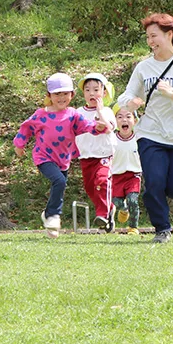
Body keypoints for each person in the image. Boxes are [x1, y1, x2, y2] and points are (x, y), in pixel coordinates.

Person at [115, 13, 173, 244]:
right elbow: (127, 94)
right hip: (151, 132)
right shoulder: (144, 67)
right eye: (148, 37)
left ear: (169, 34)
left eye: (154, 36)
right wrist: (130, 102)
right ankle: (162, 229)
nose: (151, 41)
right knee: (154, 182)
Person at [14, 73, 111, 238]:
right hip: (43, 157)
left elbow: (86, 125)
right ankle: (53, 215)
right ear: (49, 96)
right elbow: (26, 128)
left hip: (63, 159)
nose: (61, 97)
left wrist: (98, 128)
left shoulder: (72, 114)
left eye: (65, 93)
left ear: (72, 95)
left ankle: (48, 214)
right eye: (57, 94)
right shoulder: (41, 114)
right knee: (58, 181)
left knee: (59, 185)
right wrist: (19, 145)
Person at [75, 73, 117, 230]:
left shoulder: (106, 111)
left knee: (101, 180)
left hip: (104, 154)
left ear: (103, 92)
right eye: (87, 90)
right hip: (86, 155)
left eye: (95, 90)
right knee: (90, 187)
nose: (91, 93)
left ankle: (103, 214)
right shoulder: (79, 112)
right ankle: (109, 209)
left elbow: (110, 128)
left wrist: (99, 112)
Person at [111, 107, 142, 235]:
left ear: (134, 121)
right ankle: (124, 209)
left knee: (132, 200)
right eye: (120, 117)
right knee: (115, 201)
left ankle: (133, 227)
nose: (124, 120)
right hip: (115, 176)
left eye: (128, 116)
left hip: (133, 176)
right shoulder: (111, 138)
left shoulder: (139, 139)